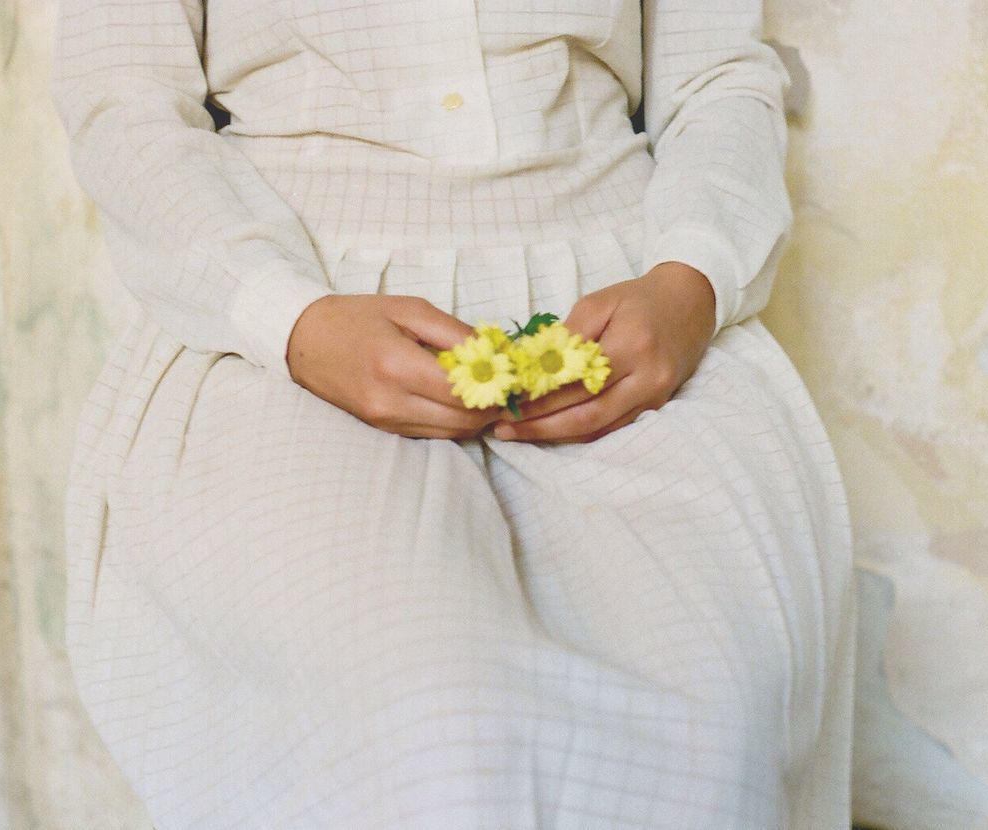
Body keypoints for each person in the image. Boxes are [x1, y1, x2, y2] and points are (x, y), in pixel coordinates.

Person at [49, 0, 856, 826]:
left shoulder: (667, 296)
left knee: (714, 705)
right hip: (302, 319)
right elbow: (126, 105)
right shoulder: (293, 319)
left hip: (625, 304)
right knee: (429, 724)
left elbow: (717, 77)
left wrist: (691, 282)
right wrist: (289, 319)